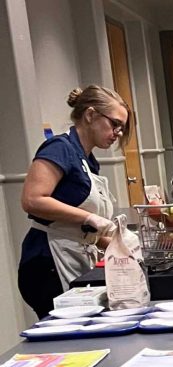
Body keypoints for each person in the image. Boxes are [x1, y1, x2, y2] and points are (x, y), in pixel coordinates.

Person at [18, 85, 131, 318]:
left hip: (76, 254)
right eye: (115, 124)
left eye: (122, 127)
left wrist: (120, 246)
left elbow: (81, 229)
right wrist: (89, 217)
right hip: (48, 260)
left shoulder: (88, 159)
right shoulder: (59, 148)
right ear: (90, 115)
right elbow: (32, 199)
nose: (118, 132)